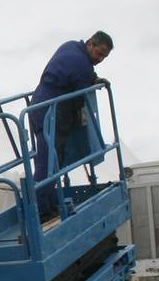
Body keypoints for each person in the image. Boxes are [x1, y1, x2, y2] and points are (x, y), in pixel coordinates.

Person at [28, 31, 113, 217]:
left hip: (39, 104)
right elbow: (80, 94)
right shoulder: (82, 65)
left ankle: (48, 205)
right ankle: (39, 211)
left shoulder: (71, 46)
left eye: (104, 57)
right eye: (99, 54)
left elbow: (76, 73)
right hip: (51, 112)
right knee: (47, 163)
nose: (100, 59)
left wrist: (92, 77)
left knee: (50, 161)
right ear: (90, 44)